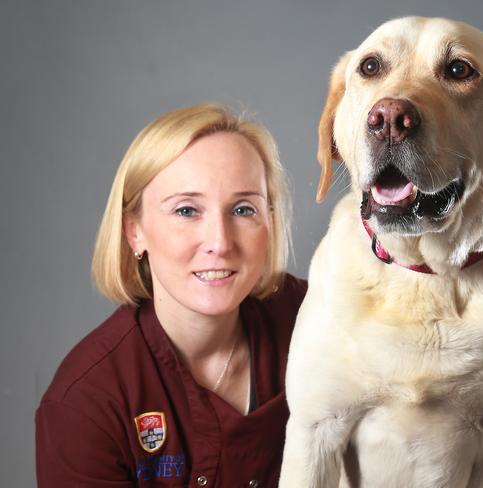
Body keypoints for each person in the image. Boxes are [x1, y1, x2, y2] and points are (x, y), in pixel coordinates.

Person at [35, 104, 307, 487]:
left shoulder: (317, 319)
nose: (219, 242)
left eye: (244, 209)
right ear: (135, 232)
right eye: (186, 210)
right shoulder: (85, 403)